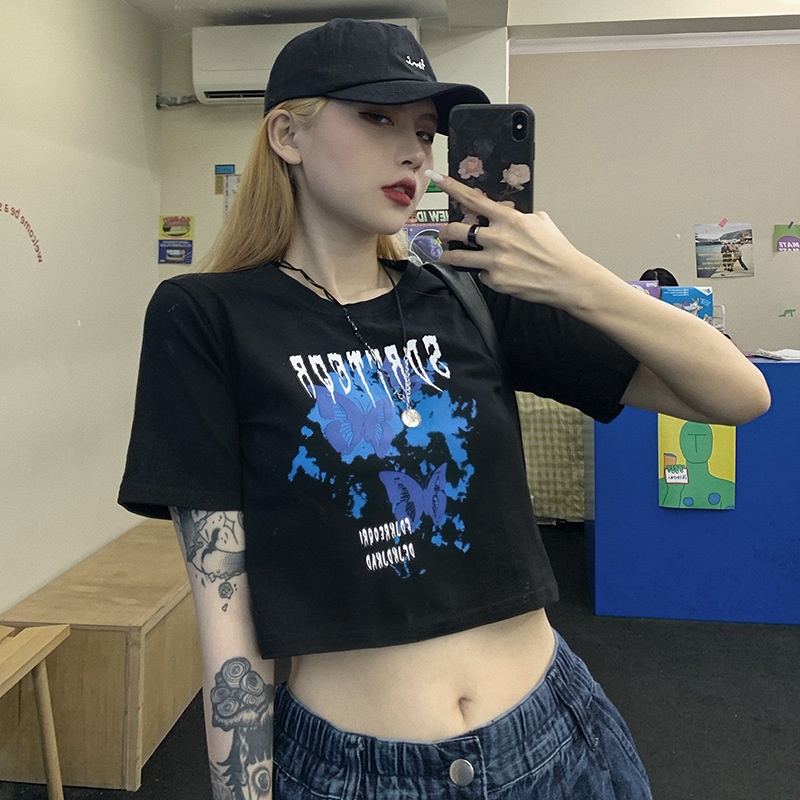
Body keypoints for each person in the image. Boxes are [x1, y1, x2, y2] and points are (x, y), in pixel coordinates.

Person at [118, 18, 770, 800]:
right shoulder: (205, 317)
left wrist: (576, 278)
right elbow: (226, 610)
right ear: (288, 135)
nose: (414, 153)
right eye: (378, 118)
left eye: (425, 131)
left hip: (558, 739)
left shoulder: (469, 297)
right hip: (356, 773)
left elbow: (739, 394)